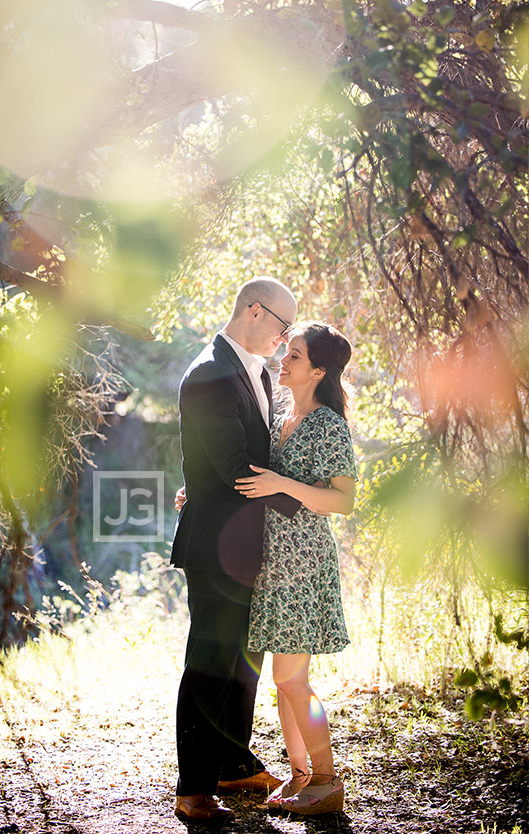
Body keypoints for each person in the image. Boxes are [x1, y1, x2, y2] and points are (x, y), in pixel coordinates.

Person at [170, 277, 302, 823]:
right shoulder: (208, 373)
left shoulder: (257, 370)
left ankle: (232, 763)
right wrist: (305, 498)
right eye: (283, 326)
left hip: (248, 547)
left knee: (244, 659)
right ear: (254, 311)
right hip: (213, 547)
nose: (285, 338)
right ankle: (194, 788)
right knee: (209, 663)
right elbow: (234, 469)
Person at [234, 321, 357, 816]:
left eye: (297, 356)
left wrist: (284, 486)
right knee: (283, 680)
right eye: (287, 352)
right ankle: (302, 774)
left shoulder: (328, 424)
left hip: (304, 562)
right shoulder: (281, 414)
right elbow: (255, 481)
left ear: (318, 371)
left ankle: (327, 781)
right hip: (273, 560)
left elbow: (342, 500)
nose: (284, 359)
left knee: (291, 678)